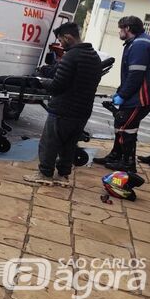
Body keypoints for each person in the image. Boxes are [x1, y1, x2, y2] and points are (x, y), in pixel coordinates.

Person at [23, 22, 102, 186]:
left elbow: (57, 86)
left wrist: (41, 81)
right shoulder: (94, 56)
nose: (60, 44)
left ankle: (45, 173)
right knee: (69, 145)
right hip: (83, 111)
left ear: (68, 37)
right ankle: (63, 175)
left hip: (63, 109)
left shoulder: (71, 56)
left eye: (60, 40)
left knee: (50, 143)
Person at [93, 16, 150, 173]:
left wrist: (123, 95)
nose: (119, 31)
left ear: (127, 28)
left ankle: (128, 164)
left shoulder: (140, 45)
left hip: (143, 95)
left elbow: (135, 75)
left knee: (126, 126)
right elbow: (131, 74)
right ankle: (116, 156)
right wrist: (121, 92)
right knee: (121, 123)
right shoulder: (139, 41)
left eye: (121, 28)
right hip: (141, 93)